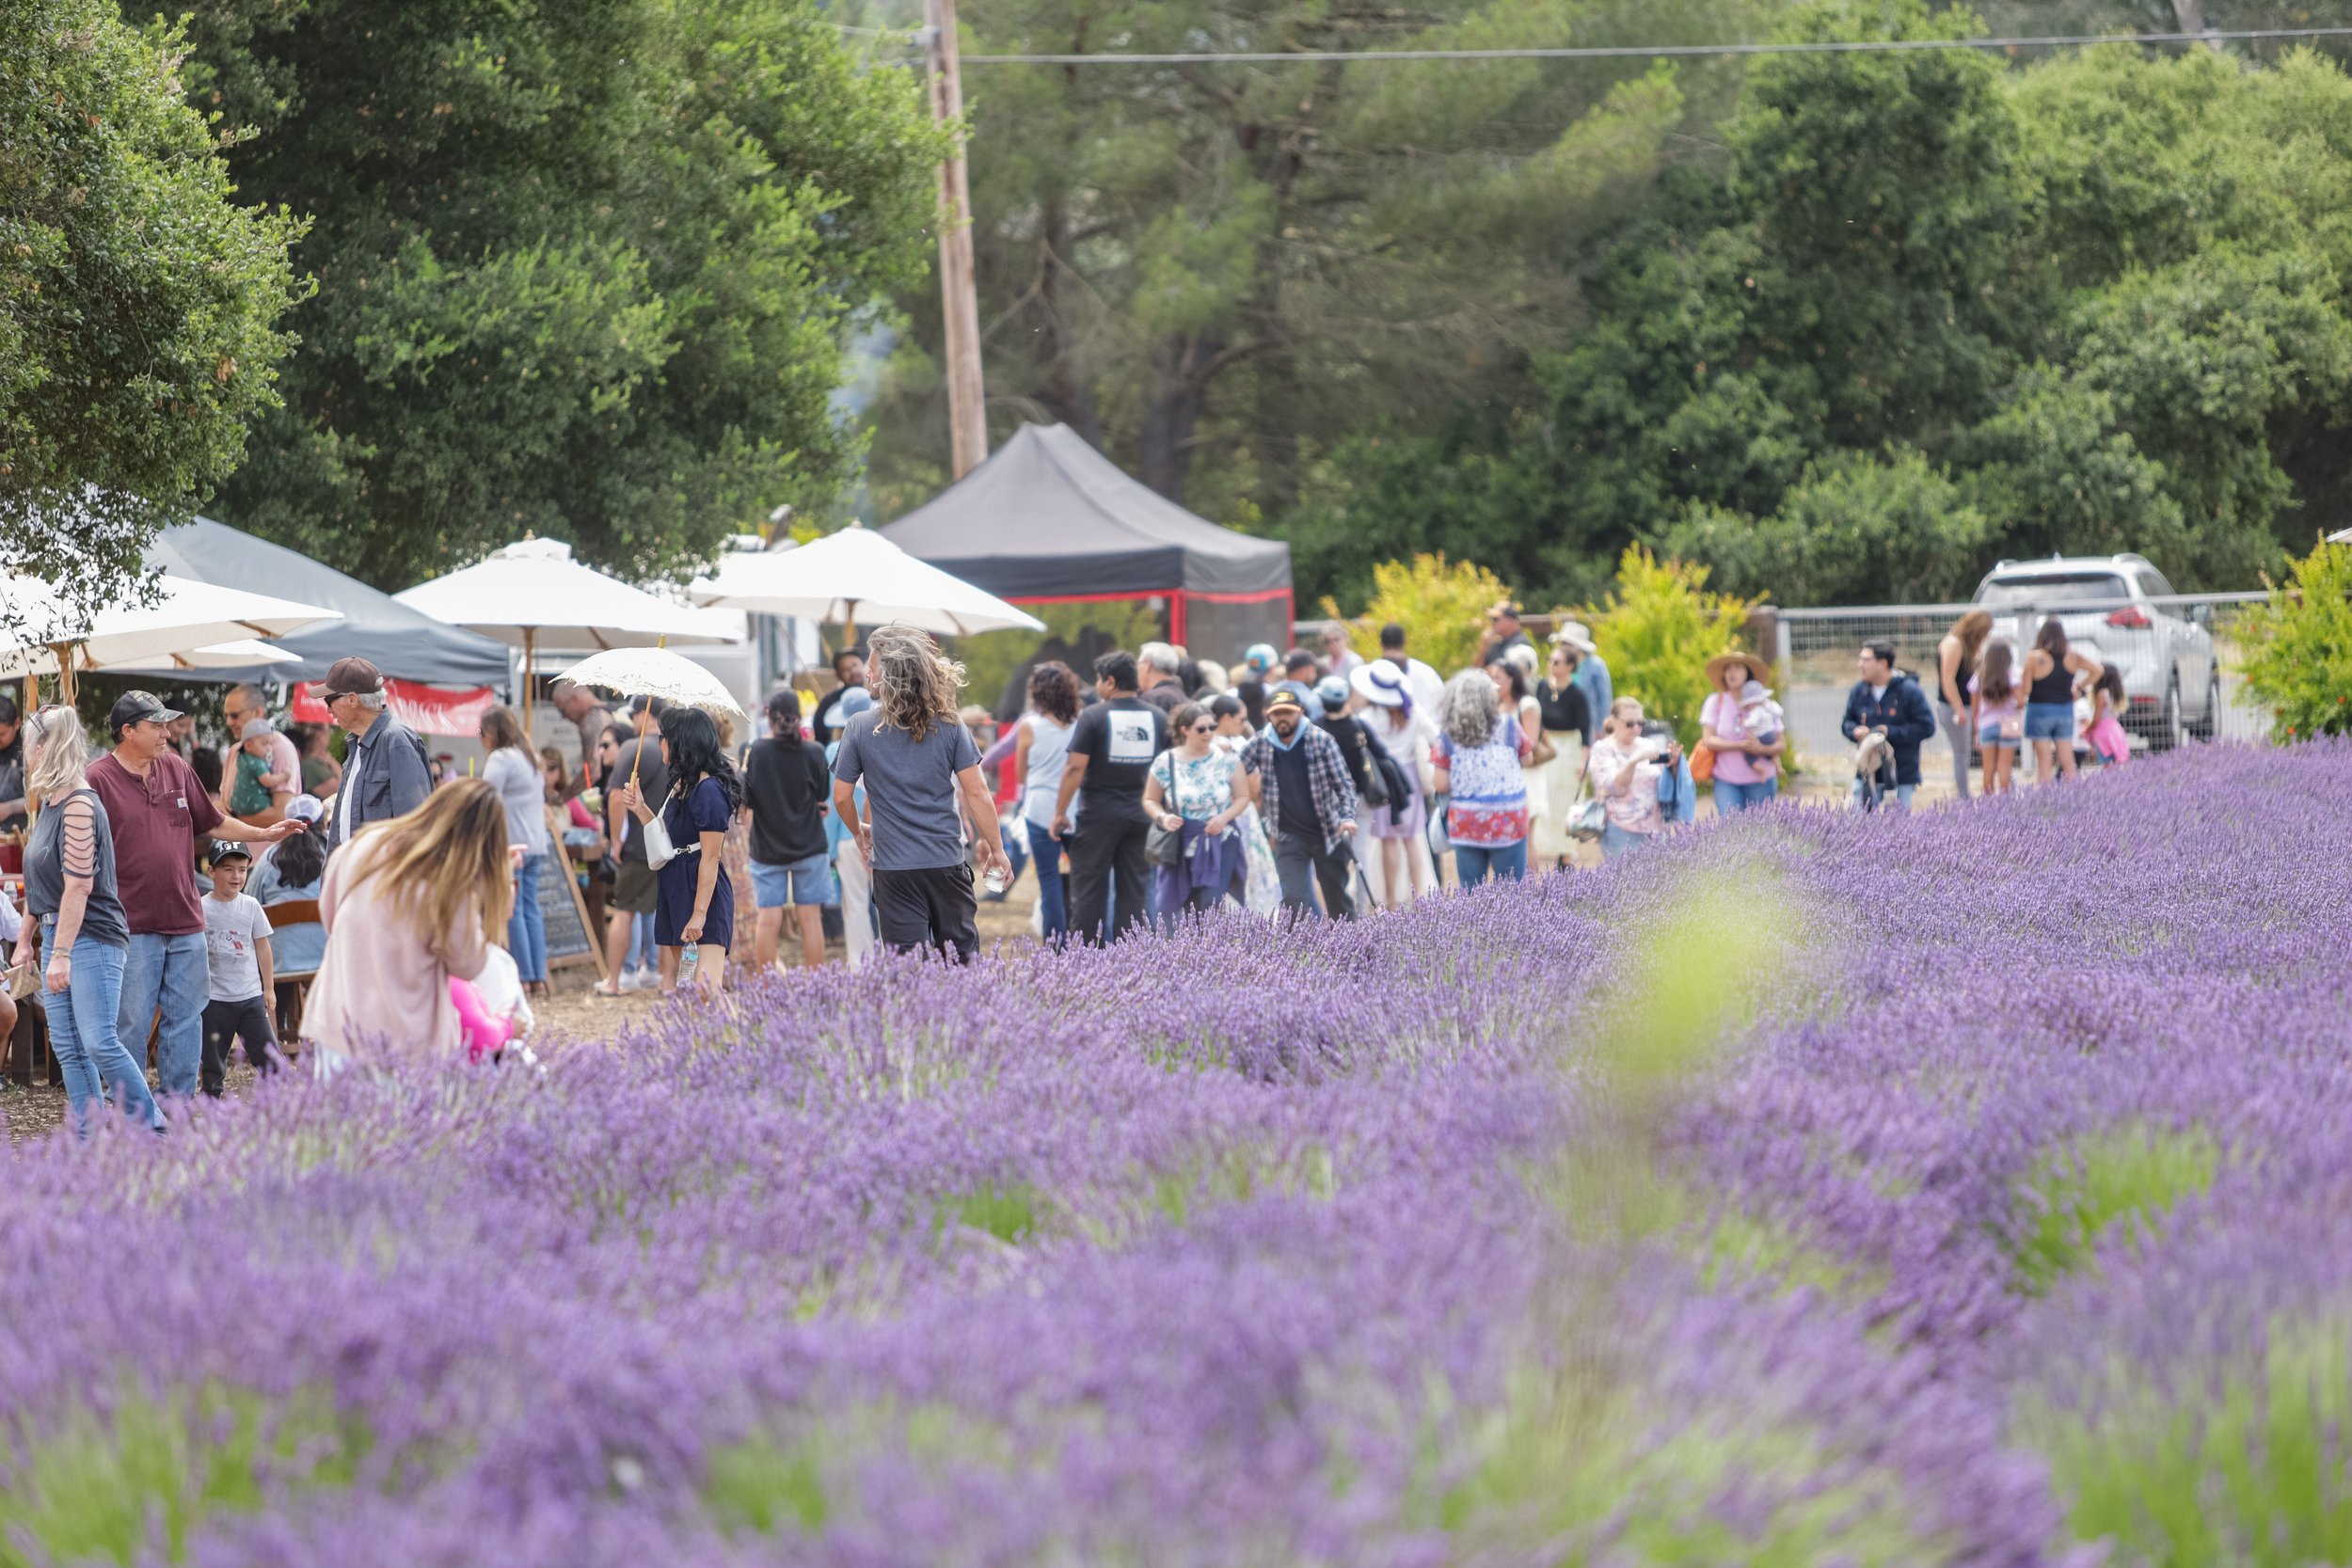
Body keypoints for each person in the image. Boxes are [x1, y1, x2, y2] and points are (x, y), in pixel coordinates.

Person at [87, 690, 300, 1100]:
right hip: (130, 924)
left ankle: (177, 1107)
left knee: (187, 1018)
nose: (167, 733)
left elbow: (213, 821)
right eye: (156, 726)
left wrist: (264, 834)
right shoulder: (97, 779)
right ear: (127, 731)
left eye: (168, 724)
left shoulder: (177, 768)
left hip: (186, 919)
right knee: (131, 1022)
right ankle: (132, 1110)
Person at [18, 706, 162, 1133]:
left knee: (99, 1040)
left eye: (29, 746)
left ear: (43, 749)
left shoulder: (80, 804)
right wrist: (27, 939)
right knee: (68, 1044)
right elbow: (40, 882)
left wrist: (60, 953)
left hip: (92, 937)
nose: (26, 755)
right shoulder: (49, 802)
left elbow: (79, 886)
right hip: (57, 932)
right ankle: (89, 1138)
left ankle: (154, 1129)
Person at [304, 779, 512, 1069]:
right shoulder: (450, 885)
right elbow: (469, 963)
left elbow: (329, 914)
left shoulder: (364, 843)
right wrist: (497, 892)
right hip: (403, 1038)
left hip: (337, 1019)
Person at [831, 626, 1009, 962]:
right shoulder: (952, 725)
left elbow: (841, 796)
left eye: (873, 666)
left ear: (892, 675)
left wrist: (858, 831)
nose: (866, 673)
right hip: (947, 863)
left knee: (907, 974)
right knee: (962, 965)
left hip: (894, 870)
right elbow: (977, 791)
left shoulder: (859, 727)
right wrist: (996, 848)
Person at [614, 705, 739, 995]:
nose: (659, 743)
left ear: (681, 742)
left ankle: (739, 1040)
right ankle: (713, 1040)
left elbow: (711, 855)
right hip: (674, 884)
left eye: (664, 737)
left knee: (706, 989)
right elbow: (667, 838)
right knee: (693, 988)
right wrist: (641, 808)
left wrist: (699, 913)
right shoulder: (680, 784)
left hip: (701, 890)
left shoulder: (709, 790)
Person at [1053, 651, 1170, 945]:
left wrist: (1060, 812)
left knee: (1089, 888)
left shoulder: (1093, 716)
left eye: (1098, 679)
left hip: (1098, 816)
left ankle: (1087, 955)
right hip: (1143, 816)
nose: (1096, 685)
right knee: (1135, 890)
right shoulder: (1157, 717)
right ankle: (1130, 956)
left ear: (1111, 681)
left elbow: (1075, 767)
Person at [1237, 686, 1359, 921]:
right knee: (1293, 900)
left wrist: (1347, 817)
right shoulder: (1261, 743)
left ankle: (1355, 951)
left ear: (1300, 712)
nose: (1282, 718)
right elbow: (1234, 770)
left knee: (1337, 902)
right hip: (1288, 835)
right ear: (1268, 715)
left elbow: (1344, 785)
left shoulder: (1321, 740)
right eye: (1277, 713)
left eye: (1288, 712)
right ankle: (1304, 953)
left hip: (1328, 833)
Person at [744, 688, 834, 971]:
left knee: (768, 920)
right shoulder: (815, 752)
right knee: (811, 920)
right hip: (810, 845)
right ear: (799, 716)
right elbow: (822, 796)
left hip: (767, 847)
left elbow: (748, 800)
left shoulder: (756, 751)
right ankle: (814, 984)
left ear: (768, 715)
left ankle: (767, 985)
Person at [1143, 701, 1248, 925]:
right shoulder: (1166, 761)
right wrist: (1163, 817)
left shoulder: (1227, 758)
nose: (1209, 733)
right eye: (1202, 729)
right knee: (1171, 907)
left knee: (1209, 906)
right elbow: (1150, 799)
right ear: (1185, 730)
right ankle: (1178, 955)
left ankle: (1205, 954)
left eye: (1212, 726)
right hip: (1180, 840)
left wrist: (1224, 817)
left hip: (1220, 839)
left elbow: (1242, 797)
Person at [594, 697, 669, 996]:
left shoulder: (635, 749)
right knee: (663, 912)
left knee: (624, 910)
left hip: (639, 844)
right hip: (668, 842)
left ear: (642, 714)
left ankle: (615, 980)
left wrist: (615, 840)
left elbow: (615, 797)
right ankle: (663, 976)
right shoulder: (672, 747)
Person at [320, 657, 431, 854]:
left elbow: (415, 827)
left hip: (378, 880)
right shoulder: (359, 742)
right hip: (356, 877)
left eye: (329, 700)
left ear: (352, 699)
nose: (328, 709)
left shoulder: (397, 741)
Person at [1433, 670, 1533, 887]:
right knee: (1511, 889)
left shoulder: (1447, 736)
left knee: (1471, 889)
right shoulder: (1508, 725)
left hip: (1467, 821)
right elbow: (1527, 759)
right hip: (1508, 817)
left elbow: (1440, 783)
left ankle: (1473, 922)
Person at [479, 705, 551, 996]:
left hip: (512, 843)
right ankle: (537, 976)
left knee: (514, 910)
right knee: (531, 908)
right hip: (536, 842)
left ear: (492, 732)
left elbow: (484, 797)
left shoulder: (501, 758)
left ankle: (521, 976)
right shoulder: (529, 756)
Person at [1351, 659, 1436, 905]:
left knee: (1388, 839)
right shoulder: (1413, 710)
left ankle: (1391, 901)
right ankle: (1419, 897)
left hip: (1382, 781)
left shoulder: (1367, 717)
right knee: (1412, 839)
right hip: (1410, 780)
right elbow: (1435, 736)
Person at [199, 843, 278, 1096]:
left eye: (242, 870)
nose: (236, 876)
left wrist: (269, 988)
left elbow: (263, 948)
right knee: (213, 1057)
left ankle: (282, 1097)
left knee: (267, 1053)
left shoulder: (251, 906)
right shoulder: (201, 907)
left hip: (250, 995)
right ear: (211, 871)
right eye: (228, 869)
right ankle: (212, 1098)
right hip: (215, 998)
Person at [1011, 661, 1080, 942]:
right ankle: (1092, 944)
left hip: (1040, 806)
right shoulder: (1082, 722)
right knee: (1081, 882)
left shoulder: (1029, 726)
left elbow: (1019, 774)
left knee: (1049, 881)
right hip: (1076, 805)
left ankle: (1057, 947)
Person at [1838, 641, 1937, 813]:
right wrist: (1854, 731)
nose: (1859, 664)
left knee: (1898, 829)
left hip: (1902, 772)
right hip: (1867, 772)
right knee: (1859, 824)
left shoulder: (1909, 691)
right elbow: (1847, 722)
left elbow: (1927, 727)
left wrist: (1889, 732)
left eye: (1865, 659)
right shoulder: (1859, 691)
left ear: (1883, 663)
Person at [823, 688, 878, 967]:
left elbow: (835, 803)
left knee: (855, 905)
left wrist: (829, 846)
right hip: (884, 833)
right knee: (888, 902)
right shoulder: (883, 740)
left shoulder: (834, 749)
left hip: (849, 835)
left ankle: (861, 964)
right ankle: (895, 960)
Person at [1529, 641, 1593, 867]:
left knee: (1565, 803)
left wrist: (1583, 761)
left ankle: (1565, 855)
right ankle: (1541, 849)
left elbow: (1585, 730)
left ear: (1569, 666)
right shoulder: (1543, 687)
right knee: (1543, 797)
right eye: (1550, 661)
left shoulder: (1577, 694)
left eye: (1556, 662)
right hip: (1547, 747)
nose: (1551, 665)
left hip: (1569, 748)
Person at [1587, 698, 1676, 860]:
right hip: (1620, 829)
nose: (1636, 728)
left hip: (1655, 828)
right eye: (1629, 724)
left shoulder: (1648, 744)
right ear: (1613, 721)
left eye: (1640, 723)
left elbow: (1664, 783)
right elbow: (1616, 787)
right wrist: (1634, 760)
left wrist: (1675, 765)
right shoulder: (1602, 749)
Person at [1698, 651, 1784, 815]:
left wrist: (1762, 750)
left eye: (1737, 667)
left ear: (1748, 673)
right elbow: (1708, 740)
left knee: (1758, 832)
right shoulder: (1716, 701)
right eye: (1728, 668)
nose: (1732, 672)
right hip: (1726, 780)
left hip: (1761, 781)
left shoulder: (1765, 704)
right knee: (1731, 830)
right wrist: (1739, 745)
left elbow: (1781, 744)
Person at [2021, 618, 2105, 784]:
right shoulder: (2072, 655)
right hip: (2065, 710)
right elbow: (2098, 670)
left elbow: (2026, 690)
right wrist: (2079, 687)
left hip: (2039, 711)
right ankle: (2074, 796)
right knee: (2067, 760)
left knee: (2044, 761)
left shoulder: (2034, 657)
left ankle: (2047, 799)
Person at [1935, 610, 1994, 801]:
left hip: (1969, 705)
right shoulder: (1954, 643)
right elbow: (1948, 680)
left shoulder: (1968, 646)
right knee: (1961, 754)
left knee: (1974, 750)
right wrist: (1959, 709)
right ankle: (1964, 797)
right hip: (1954, 707)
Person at [221, 685, 299, 824]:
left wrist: (231, 818)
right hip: (235, 844)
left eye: (234, 715)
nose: (229, 722)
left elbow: (282, 815)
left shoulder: (280, 748)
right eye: (226, 716)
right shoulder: (234, 750)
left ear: (258, 712)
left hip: (266, 846)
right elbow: (223, 803)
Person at [1969, 641, 2024, 795]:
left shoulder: (1980, 676)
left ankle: (1989, 803)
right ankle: (2005, 802)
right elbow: (2020, 702)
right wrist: (2011, 706)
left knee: (1988, 768)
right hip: (2008, 725)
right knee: (2004, 767)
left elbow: (1975, 707)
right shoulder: (2011, 675)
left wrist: (1976, 730)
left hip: (1986, 725)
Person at [549, 679, 613, 791]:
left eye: (562, 710)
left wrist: (562, 799)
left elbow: (593, 773)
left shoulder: (589, 722)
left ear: (575, 699)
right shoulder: (611, 713)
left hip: (606, 796)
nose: (564, 717)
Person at [1552, 623, 1613, 732]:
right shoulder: (1560, 663)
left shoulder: (1596, 665)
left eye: (1566, 644)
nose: (1563, 647)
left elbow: (1604, 698)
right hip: (1563, 724)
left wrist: (1601, 728)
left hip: (1589, 724)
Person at [228, 719, 290, 822]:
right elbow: (268, 781)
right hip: (252, 803)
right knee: (273, 802)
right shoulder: (257, 763)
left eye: (270, 744)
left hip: (236, 802)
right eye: (264, 744)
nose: (269, 748)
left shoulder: (241, 756)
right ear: (248, 745)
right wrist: (284, 775)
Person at [812, 647, 867, 746]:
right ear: (838, 675)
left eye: (855, 665)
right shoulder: (829, 704)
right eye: (846, 669)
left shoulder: (878, 695)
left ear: (862, 664)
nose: (853, 671)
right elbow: (820, 737)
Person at [2085, 664, 2130, 768]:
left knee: (2106, 764)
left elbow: (2096, 719)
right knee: (2116, 763)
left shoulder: (2102, 694)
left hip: (2103, 732)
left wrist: (2087, 729)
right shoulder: (2116, 694)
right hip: (2115, 730)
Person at [290, 722, 342, 799]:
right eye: (329, 730)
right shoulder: (311, 765)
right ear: (319, 735)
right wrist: (332, 761)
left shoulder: (310, 762)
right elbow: (341, 788)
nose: (330, 734)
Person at [1136, 642, 1188, 718]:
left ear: (1147, 665)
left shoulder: (1150, 699)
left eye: (1138, 664)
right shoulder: (1184, 697)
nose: (1136, 669)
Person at [1479, 602, 1534, 669]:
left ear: (1510, 619)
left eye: (1495, 619)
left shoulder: (1520, 645)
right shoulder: (1497, 645)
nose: (1492, 622)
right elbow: (1476, 672)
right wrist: (1484, 647)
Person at [0, 694, 24, 831]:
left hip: (20, 836)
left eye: (2, 735)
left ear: (16, 724)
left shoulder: (29, 750)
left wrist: (10, 808)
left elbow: (45, 795)